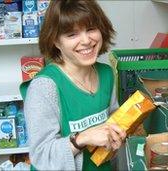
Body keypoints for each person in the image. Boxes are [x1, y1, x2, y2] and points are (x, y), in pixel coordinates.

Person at [20, 0, 126, 170]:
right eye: (71, 34)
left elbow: (113, 120)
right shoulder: (44, 87)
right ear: (55, 41)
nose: (86, 40)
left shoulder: (107, 74)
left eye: (91, 29)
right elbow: (41, 156)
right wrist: (81, 139)